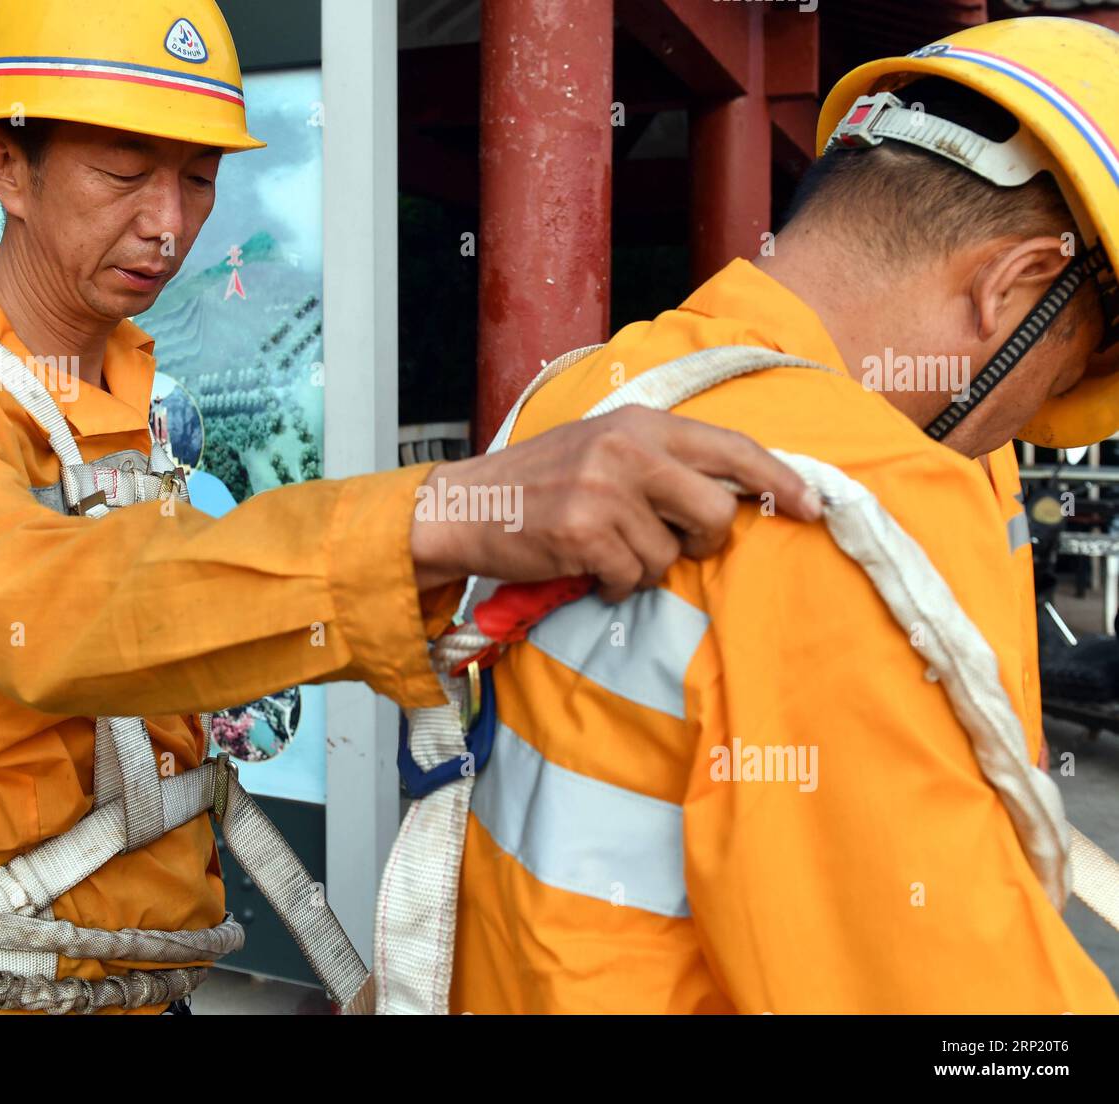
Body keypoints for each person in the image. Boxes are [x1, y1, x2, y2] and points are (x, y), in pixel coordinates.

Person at [0, 0, 817, 1014]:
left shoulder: (138, 393)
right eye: (124, 173)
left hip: (139, 976)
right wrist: (442, 515)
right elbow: (54, 610)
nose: (169, 224)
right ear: (1, 167)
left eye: (200, 179)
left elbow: (176, 616)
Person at [449, 16, 1119, 1014]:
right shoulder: (859, 496)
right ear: (1011, 285)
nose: (1027, 431)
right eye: (1063, 371)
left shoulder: (584, 392)